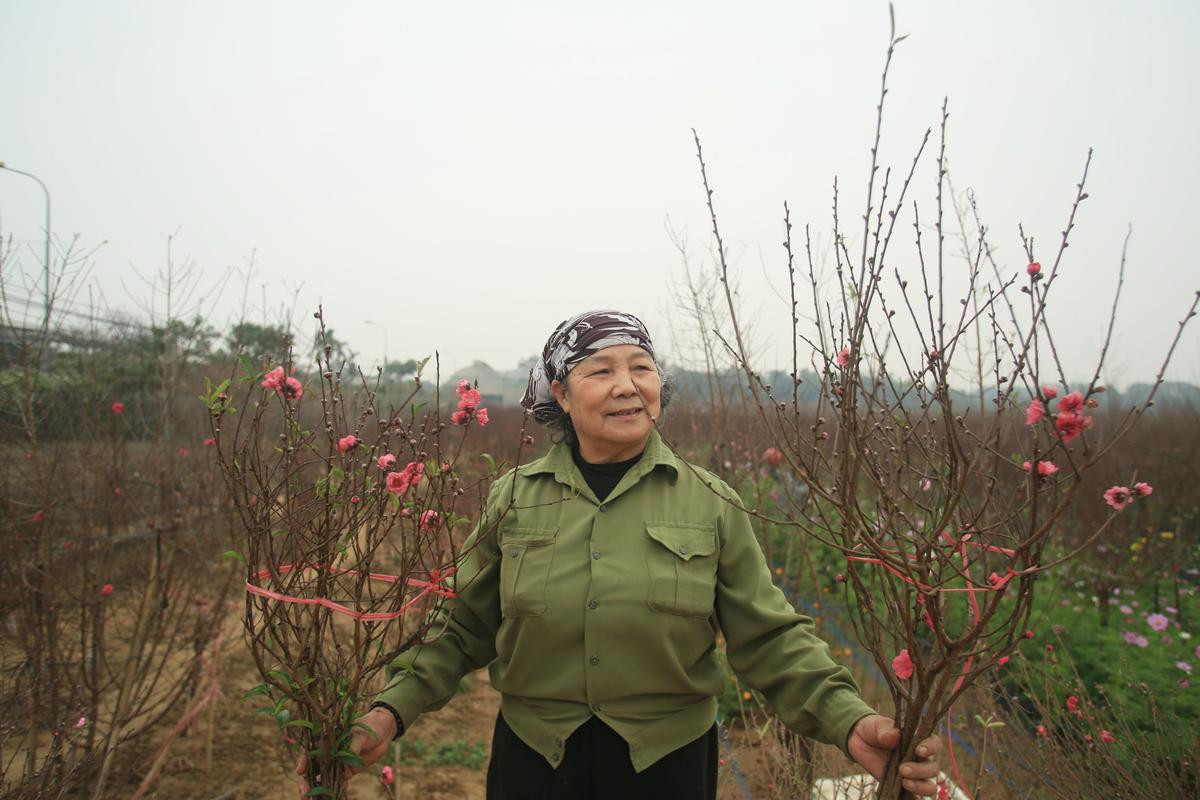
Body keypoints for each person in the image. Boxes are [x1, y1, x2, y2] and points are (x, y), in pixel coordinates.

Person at [299, 310, 943, 798]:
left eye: (641, 367)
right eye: (600, 371)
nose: (627, 385)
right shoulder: (515, 499)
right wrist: (387, 712)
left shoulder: (709, 503)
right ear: (560, 392)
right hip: (535, 761)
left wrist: (848, 720)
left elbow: (769, 637)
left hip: (667, 765)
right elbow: (463, 627)